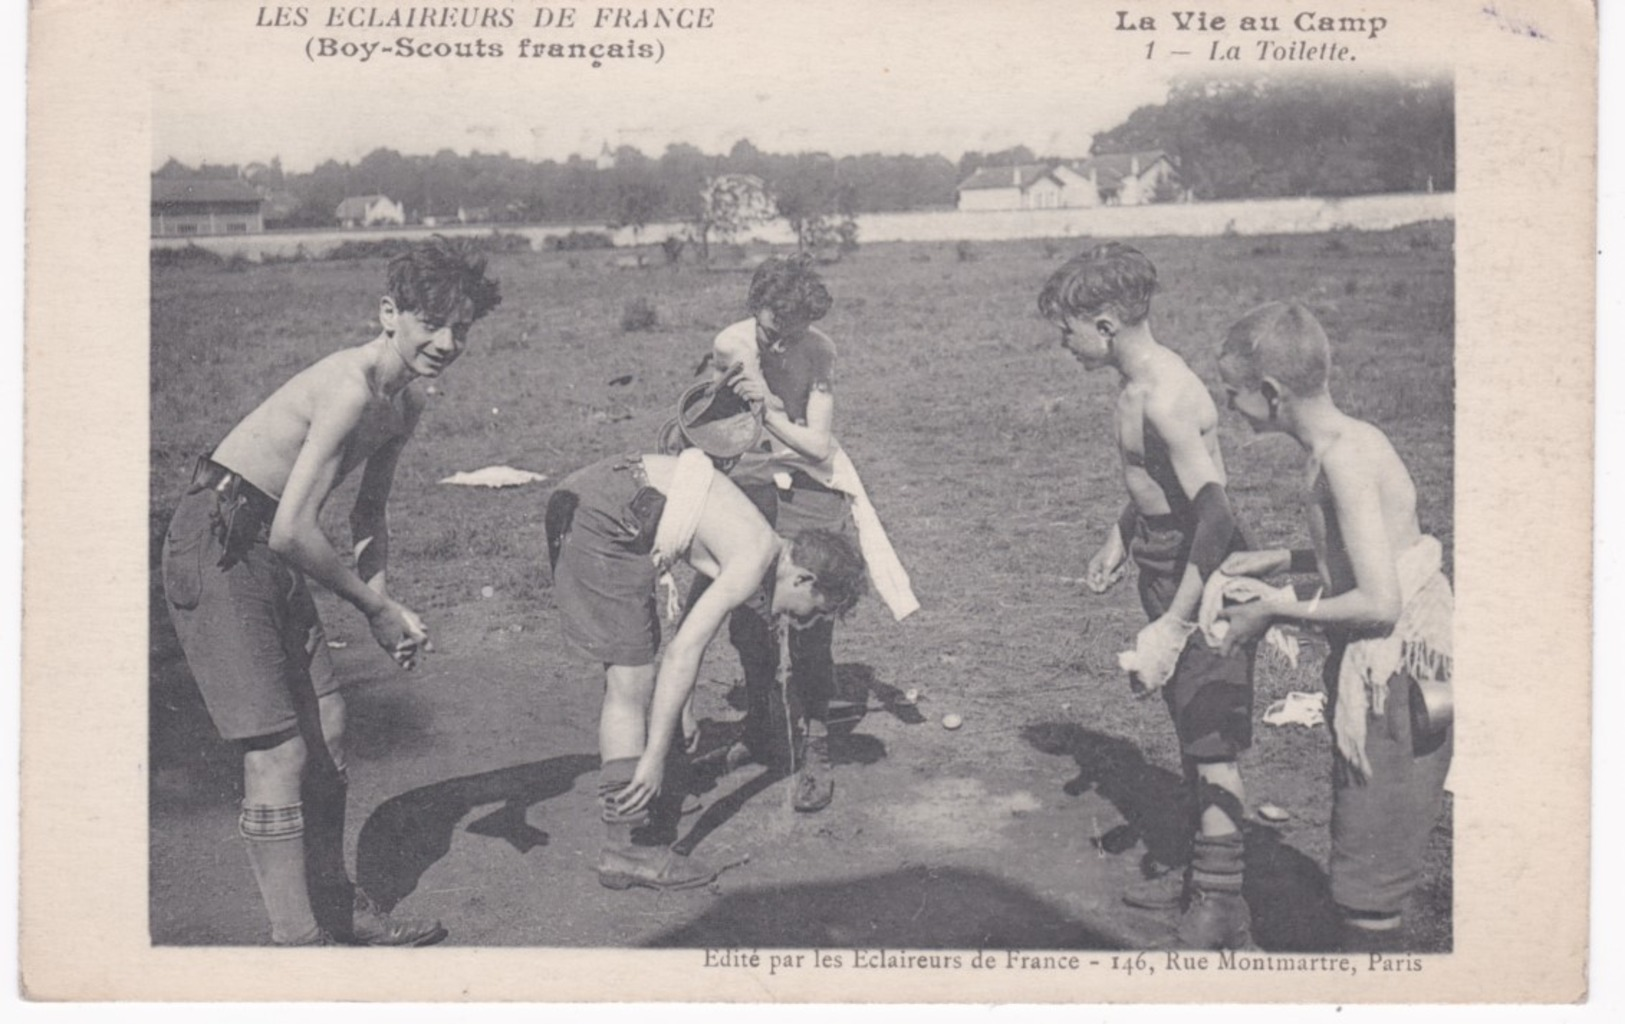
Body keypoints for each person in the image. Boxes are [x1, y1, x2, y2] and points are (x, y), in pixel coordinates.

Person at [159, 236, 501, 946]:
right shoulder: (348, 388)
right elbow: (291, 530)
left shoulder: (402, 404)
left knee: (331, 727)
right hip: (220, 538)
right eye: (430, 322)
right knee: (279, 749)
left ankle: (333, 907)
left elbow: (366, 513)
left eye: (460, 328)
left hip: (269, 546)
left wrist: (388, 608)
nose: (445, 342)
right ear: (389, 313)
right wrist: (371, 606)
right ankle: (298, 943)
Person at [1211, 301, 1453, 953]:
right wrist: (1283, 558)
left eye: (1231, 393)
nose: (1228, 406)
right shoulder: (1347, 441)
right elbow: (1363, 550)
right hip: (1395, 668)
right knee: (1365, 837)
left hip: (1393, 676)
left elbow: (1377, 600)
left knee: (1369, 871)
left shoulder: (1343, 460)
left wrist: (1273, 607)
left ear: (1269, 393)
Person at [1038, 242, 1256, 949]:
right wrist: (1118, 533)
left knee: (1211, 738)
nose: (1060, 344)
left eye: (1065, 330)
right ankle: (1199, 872)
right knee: (1190, 731)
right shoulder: (1131, 385)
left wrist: (1175, 620)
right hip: (1163, 559)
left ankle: (1222, 907)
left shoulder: (1164, 395)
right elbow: (1153, 482)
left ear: (1102, 324)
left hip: (1203, 575)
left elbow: (1216, 513)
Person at [544, 436, 867, 890]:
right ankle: (627, 849)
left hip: (606, 494)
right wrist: (656, 756)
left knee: (637, 664)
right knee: (630, 681)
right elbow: (684, 651)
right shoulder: (755, 556)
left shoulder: (761, 544)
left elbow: (694, 619)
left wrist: (687, 702)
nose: (801, 620)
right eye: (810, 609)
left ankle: (642, 809)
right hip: (605, 512)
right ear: (804, 577)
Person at [703, 253, 918, 812]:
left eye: (793, 333)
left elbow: (817, 444)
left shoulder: (820, 350)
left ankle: (816, 747)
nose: (782, 345)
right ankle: (760, 730)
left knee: (812, 617)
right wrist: (770, 416)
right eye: (775, 329)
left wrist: (773, 418)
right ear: (756, 309)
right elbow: (741, 405)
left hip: (811, 481)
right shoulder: (732, 341)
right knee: (748, 611)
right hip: (749, 477)